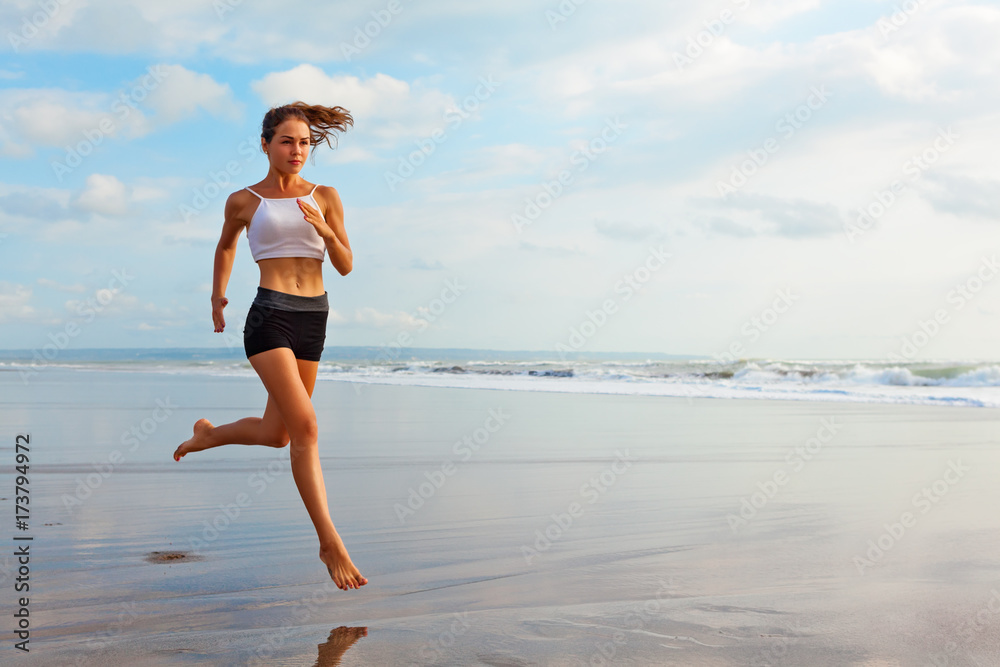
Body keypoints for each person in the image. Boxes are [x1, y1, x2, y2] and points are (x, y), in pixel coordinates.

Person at [173, 102, 367, 591]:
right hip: (269, 317)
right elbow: (226, 245)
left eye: (304, 142)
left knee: (279, 433)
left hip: (314, 317)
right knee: (307, 427)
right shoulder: (244, 200)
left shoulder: (326, 196)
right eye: (287, 141)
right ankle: (328, 541)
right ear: (265, 144)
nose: (297, 150)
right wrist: (218, 297)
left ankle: (208, 435)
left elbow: (345, 265)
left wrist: (323, 228)